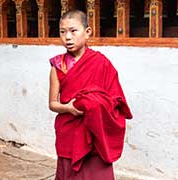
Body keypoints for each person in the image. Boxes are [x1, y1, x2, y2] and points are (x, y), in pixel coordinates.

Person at [49, 10, 133, 180]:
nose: (67, 37)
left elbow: (116, 100)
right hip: (69, 131)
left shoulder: (101, 63)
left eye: (73, 31)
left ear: (87, 32)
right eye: (62, 32)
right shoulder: (58, 65)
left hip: (95, 132)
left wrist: (96, 105)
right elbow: (52, 104)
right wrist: (68, 108)